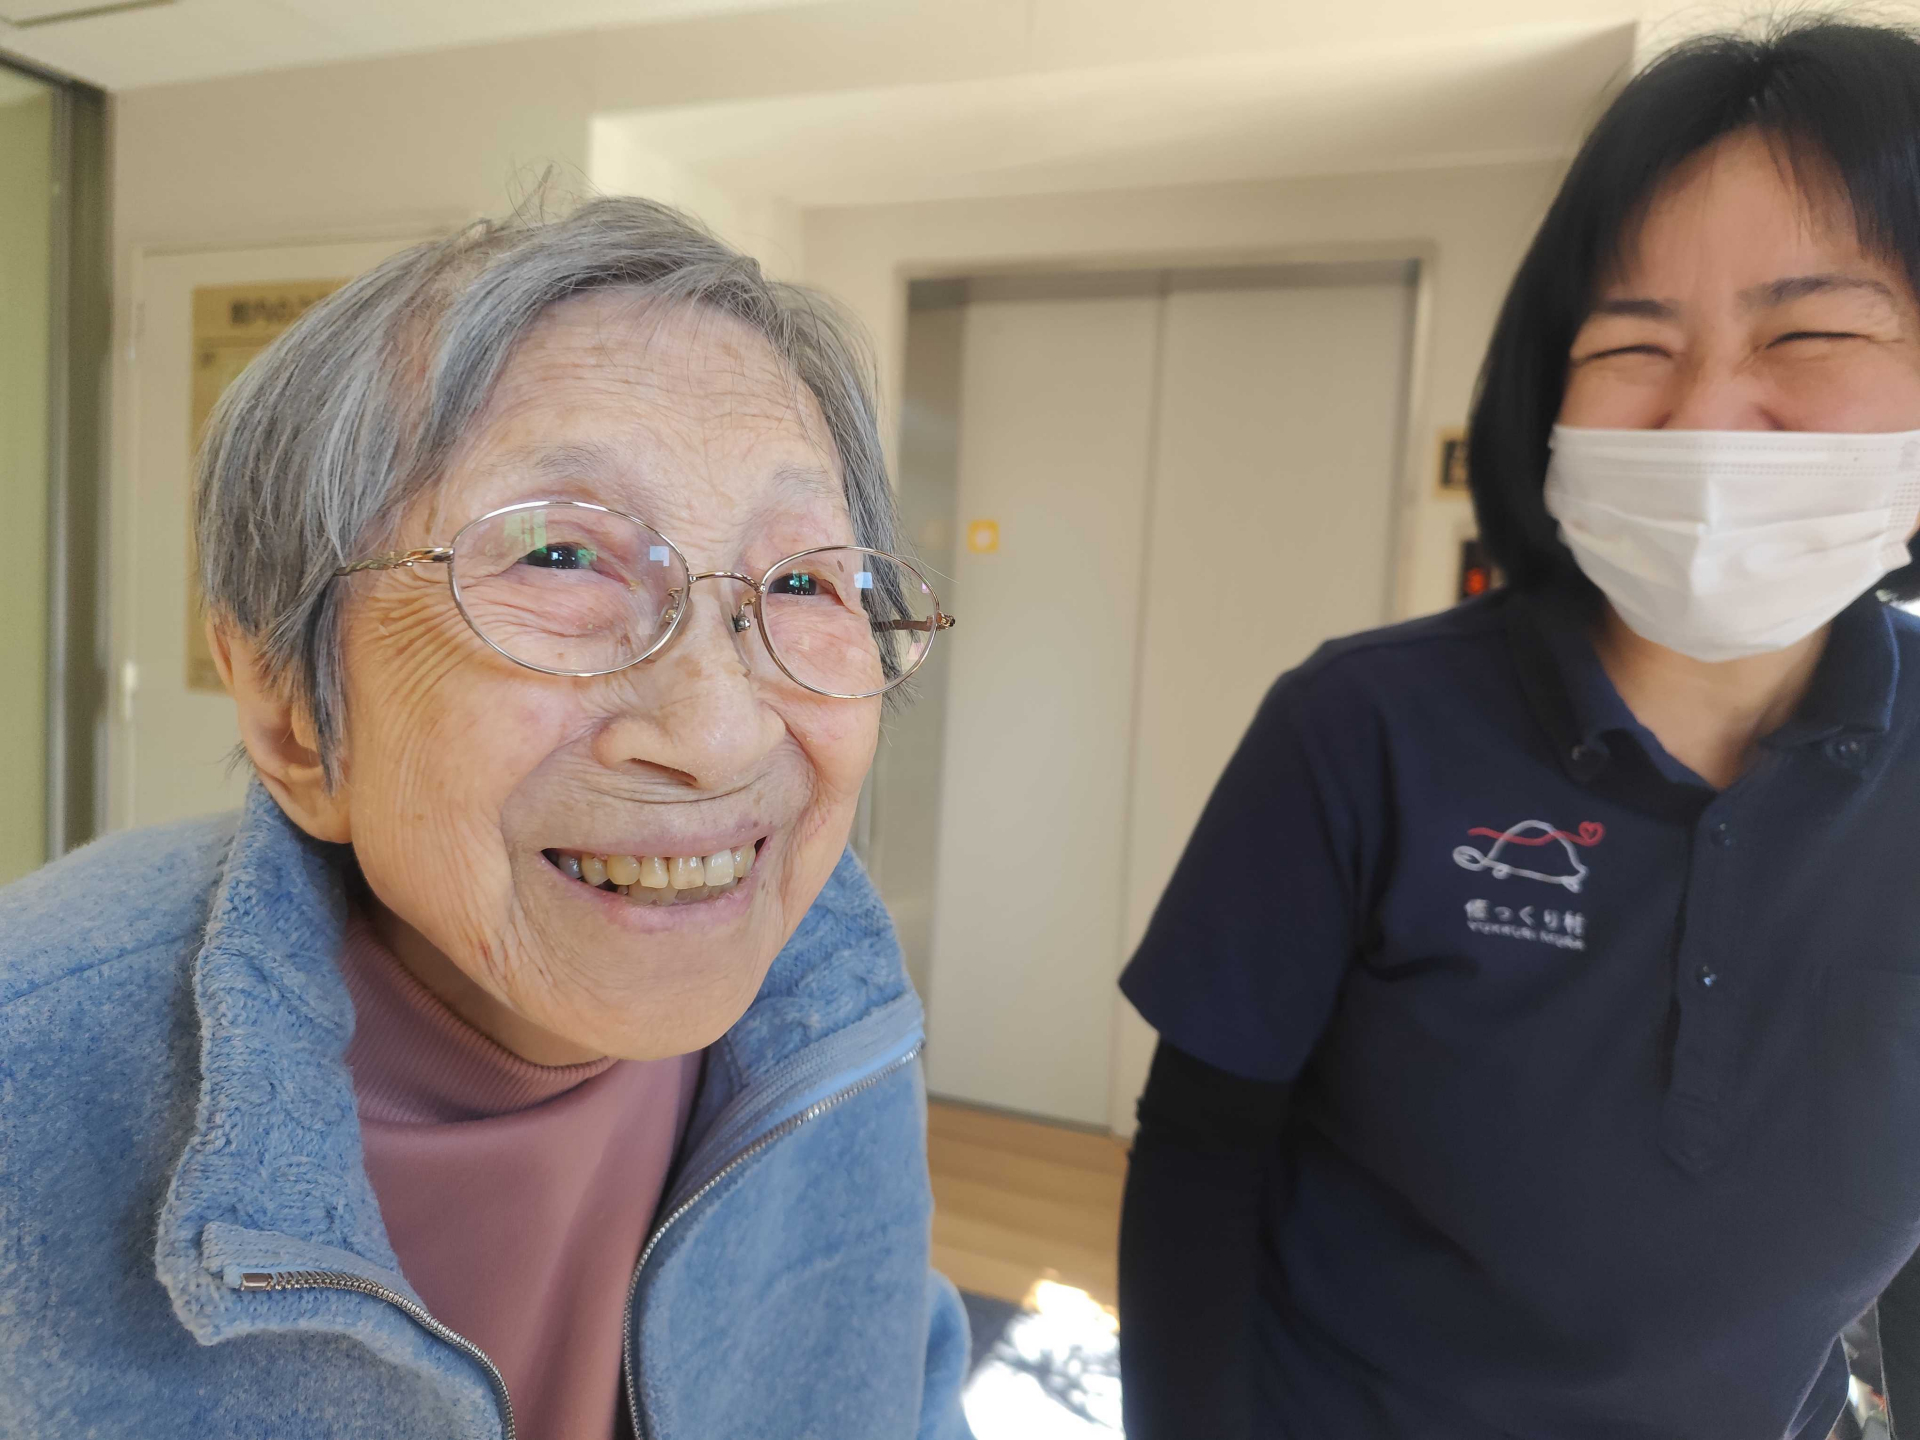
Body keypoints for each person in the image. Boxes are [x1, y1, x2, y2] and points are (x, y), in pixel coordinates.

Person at [0, 199, 968, 1440]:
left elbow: (896, 1380)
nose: (723, 732)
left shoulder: (834, 996)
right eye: (559, 557)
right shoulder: (31, 1072)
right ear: (292, 713)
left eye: (800, 580)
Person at [1118, 19, 1920, 1440]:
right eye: (1633, 343)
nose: (1705, 418)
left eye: (1809, 332)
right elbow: (1199, 1149)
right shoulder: (1362, 728)